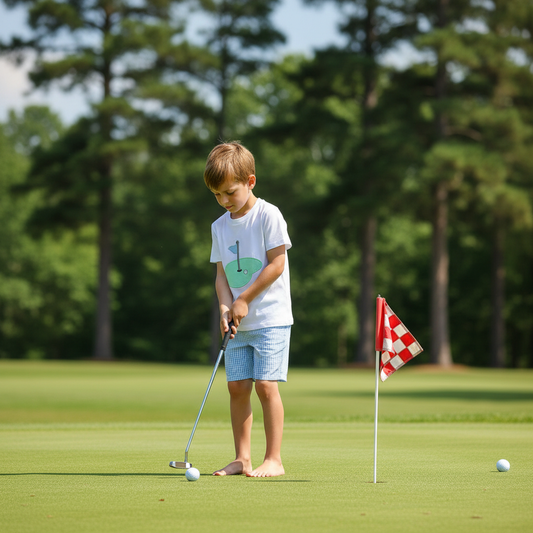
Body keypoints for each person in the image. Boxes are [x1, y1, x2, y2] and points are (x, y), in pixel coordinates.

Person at [204, 141, 293, 478]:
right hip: (238, 323)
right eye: (217, 195)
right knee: (237, 387)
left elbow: (277, 264)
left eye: (230, 192)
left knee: (265, 386)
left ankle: (274, 459)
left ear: (250, 181)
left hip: (270, 317)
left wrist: (245, 299)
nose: (224, 201)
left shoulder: (268, 215)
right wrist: (226, 306)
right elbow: (221, 275)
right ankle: (242, 458)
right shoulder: (219, 226)